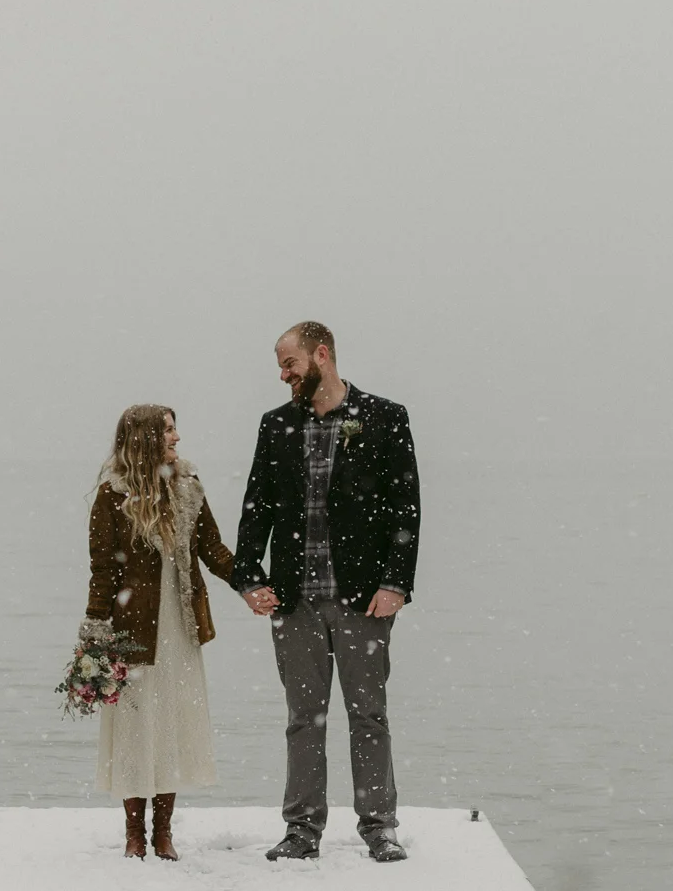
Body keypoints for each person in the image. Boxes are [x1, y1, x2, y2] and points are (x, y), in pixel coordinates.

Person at [233, 321, 421, 863]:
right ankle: (302, 830)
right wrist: (249, 577)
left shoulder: (385, 417)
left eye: (289, 363)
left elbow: (406, 506)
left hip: (364, 597)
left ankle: (380, 826)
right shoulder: (276, 426)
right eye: (280, 366)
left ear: (322, 354)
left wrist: (396, 582)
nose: (283, 375)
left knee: (369, 714)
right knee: (303, 718)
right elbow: (257, 505)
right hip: (294, 599)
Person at [81, 404, 237, 860]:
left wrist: (254, 582)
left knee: (170, 724)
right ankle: (134, 834)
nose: (177, 437)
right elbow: (102, 571)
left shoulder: (187, 486)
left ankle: (163, 832)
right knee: (134, 727)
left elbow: (213, 549)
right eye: (169, 430)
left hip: (181, 627)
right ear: (147, 437)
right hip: (133, 630)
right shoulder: (112, 495)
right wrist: (94, 634)